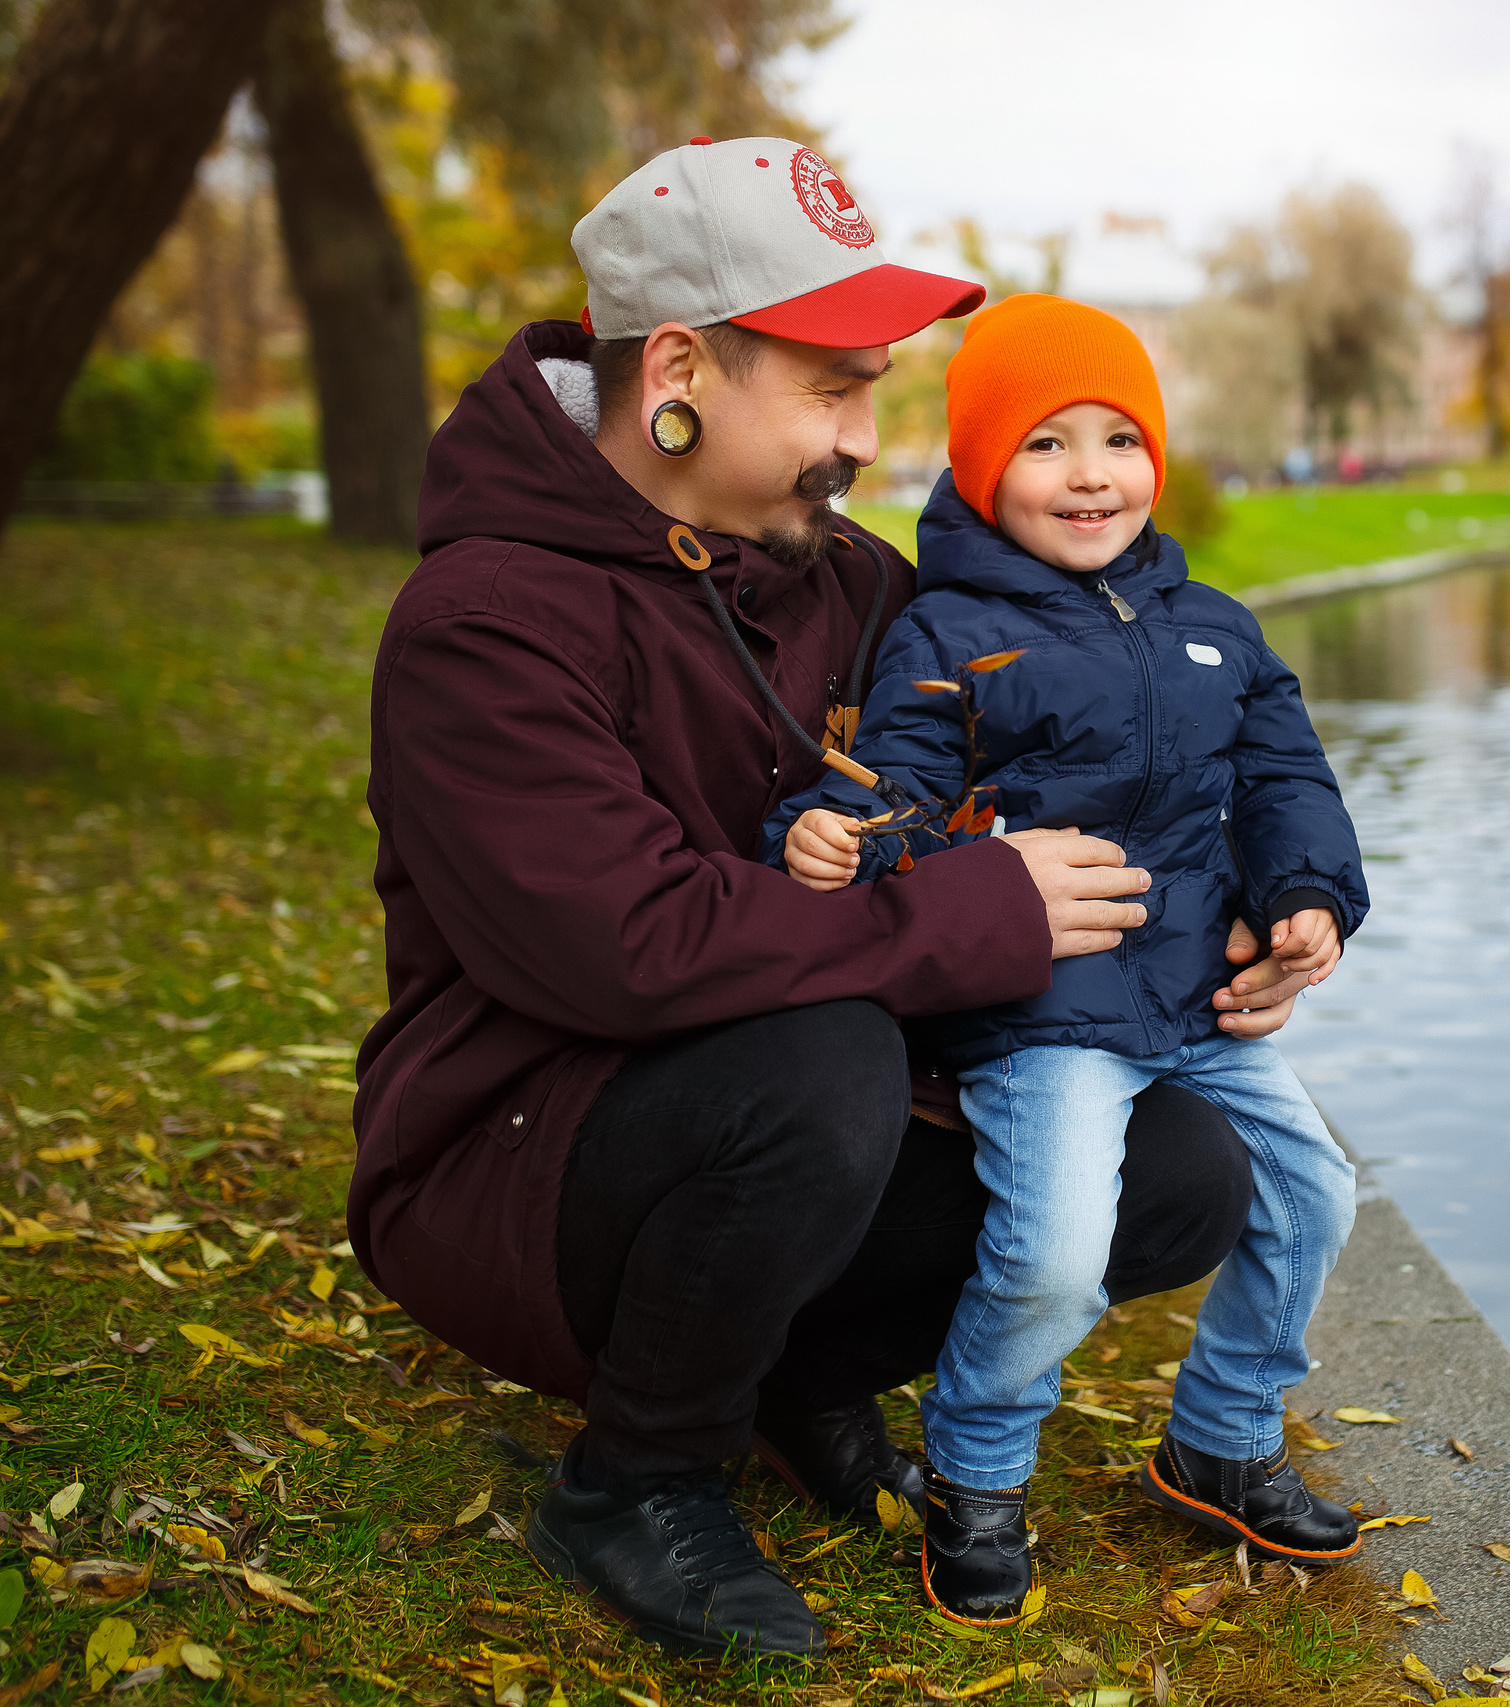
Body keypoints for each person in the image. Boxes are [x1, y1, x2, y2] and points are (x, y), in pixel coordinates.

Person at [349, 138, 1324, 1660]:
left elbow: (1057, 776)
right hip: (523, 1159)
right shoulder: (482, 624)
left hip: (777, 1101)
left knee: (1183, 1161)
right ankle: (637, 1477)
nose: (867, 438)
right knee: (820, 1059)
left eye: (876, 387)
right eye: (830, 389)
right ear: (678, 367)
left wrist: (1259, 902)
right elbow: (630, 949)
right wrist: (974, 914)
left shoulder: (855, 586)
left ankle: (797, 1373)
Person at [765, 294, 1368, 1626]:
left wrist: (1310, 898)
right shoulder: (947, 632)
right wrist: (836, 838)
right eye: (1046, 444)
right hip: (1041, 1009)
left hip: (1195, 996)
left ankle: (1221, 1431)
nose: (1092, 474)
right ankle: (979, 1478)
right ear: (982, 467)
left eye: (1118, 439)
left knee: (1316, 1197)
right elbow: (898, 794)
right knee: (1053, 1252)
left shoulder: (1216, 625)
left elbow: (1285, 782)